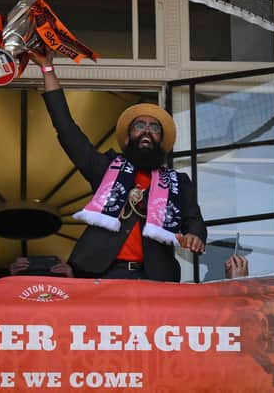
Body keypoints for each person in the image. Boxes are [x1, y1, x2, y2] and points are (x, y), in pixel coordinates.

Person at [30, 51, 206, 281]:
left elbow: (194, 220)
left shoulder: (178, 183)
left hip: (154, 279)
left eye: (154, 128)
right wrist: (47, 69)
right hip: (101, 276)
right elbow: (68, 132)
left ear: (161, 142)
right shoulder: (106, 168)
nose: (146, 131)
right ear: (128, 137)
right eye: (139, 125)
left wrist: (195, 235)